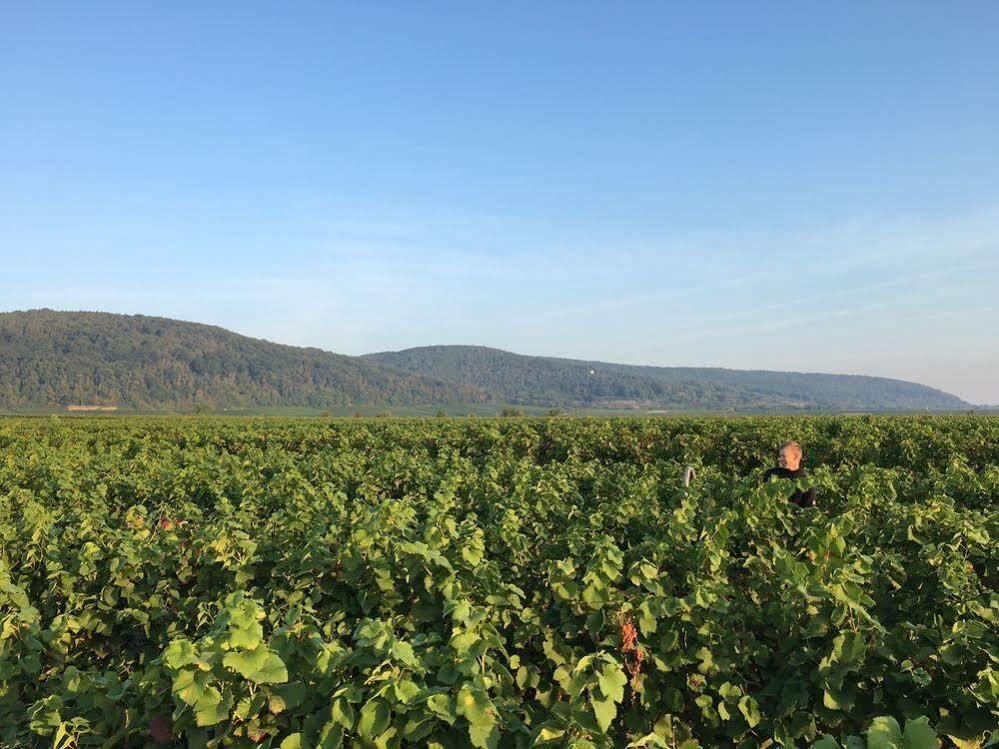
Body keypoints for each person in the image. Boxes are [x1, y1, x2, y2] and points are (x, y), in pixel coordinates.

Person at [764, 440, 817, 508]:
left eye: (783, 456)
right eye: (780, 456)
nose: (780, 459)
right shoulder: (771, 474)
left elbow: (807, 513)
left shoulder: (807, 484)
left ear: (795, 457)